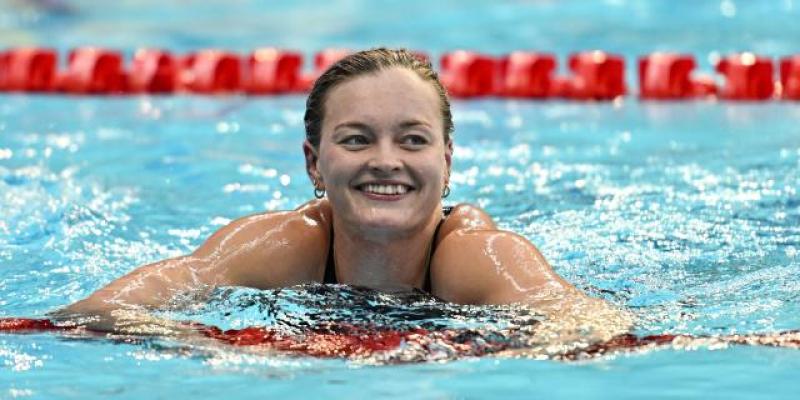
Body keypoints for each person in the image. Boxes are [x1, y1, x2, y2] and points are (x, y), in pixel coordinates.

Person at [59, 48, 630, 341]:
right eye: (357, 140)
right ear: (315, 163)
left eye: (412, 140)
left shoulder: (476, 255)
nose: (386, 160)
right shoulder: (287, 243)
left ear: (446, 162)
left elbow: (592, 324)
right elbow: (96, 312)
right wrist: (209, 347)